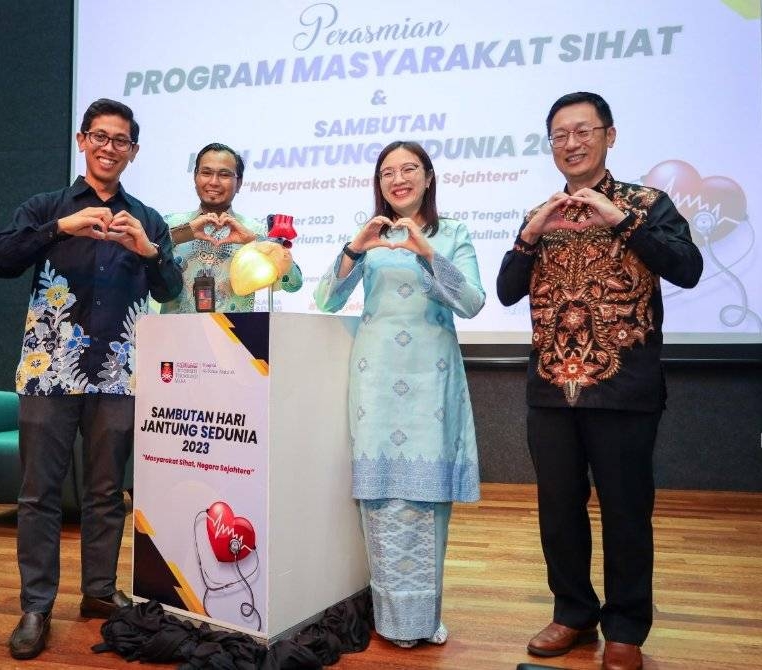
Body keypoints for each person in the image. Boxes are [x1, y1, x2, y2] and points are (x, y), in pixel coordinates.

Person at [496, 92, 703, 670]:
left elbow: (687, 269)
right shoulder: (542, 212)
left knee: (625, 511)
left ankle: (627, 628)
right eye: (560, 135)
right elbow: (508, 289)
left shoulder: (647, 202)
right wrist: (530, 236)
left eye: (583, 131)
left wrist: (623, 221)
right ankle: (572, 614)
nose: (572, 143)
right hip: (550, 389)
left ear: (609, 136)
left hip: (624, 388)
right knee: (558, 509)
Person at [0, 98, 183, 660]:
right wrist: (58, 229)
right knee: (38, 495)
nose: (109, 147)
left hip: (117, 376)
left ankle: (98, 592)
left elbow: (168, 290)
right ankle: (35, 606)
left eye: (120, 140)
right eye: (100, 136)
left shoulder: (145, 218)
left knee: (104, 495)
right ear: (82, 141)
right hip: (49, 374)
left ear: (133, 152)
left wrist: (149, 252)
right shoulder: (47, 206)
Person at [314, 140, 485, 648]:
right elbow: (326, 298)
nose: (398, 179)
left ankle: (421, 619)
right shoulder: (370, 237)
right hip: (375, 380)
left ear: (428, 177)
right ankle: (390, 621)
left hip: (431, 382)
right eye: (387, 172)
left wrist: (425, 251)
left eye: (409, 169)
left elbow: (473, 303)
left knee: (425, 499)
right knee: (383, 496)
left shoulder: (452, 233)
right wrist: (354, 248)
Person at [160, 142, 302, 313]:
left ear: (239, 183)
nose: (213, 182)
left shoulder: (256, 231)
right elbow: (140, 263)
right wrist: (182, 234)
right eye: (206, 173)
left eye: (224, 175)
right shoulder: (169, 224)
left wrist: (255, 241)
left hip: (235, 336)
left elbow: (293, 284)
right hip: (175, 334)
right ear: (195, 177)